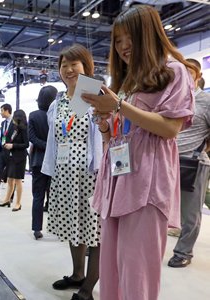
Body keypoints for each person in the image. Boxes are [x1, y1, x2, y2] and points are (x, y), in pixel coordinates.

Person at [81, 5, 197, 300]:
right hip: (116, 182)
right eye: (117, 41)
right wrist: (106, 125)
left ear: (147, 34)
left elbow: (170, 128)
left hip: (146, 184)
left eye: (128, 37)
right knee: (111, 272)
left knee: (137, 276)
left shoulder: (174, 71)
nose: (122, 47)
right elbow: (121, 134)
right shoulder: (128, 82)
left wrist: (119, 106)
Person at [41, 44, 103, 300]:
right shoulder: (58, 101)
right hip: (65, 174)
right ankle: (77, 275)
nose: (68, 69)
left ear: (86, 66)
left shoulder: (95, 93)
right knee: (71, 225)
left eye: (74, 64)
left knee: (94, 230)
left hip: (91, 173)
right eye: (64, 65)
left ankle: (89, 284)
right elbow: (55, 139)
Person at [167, 58, 210, 268]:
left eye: (189, 72)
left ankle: (183, 252)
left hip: (193, 161)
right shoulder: (175, 98)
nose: (183, 75)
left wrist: (202, 149)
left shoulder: (206, 101)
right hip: (168, 159)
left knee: (191, 213)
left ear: (198, 76)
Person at [29, 85, 57, 240]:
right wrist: (51, 146)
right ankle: (57, 226)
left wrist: (45, 146)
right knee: (55, 195)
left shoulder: (33, 116)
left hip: (38, 161)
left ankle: (36, 229)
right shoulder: (57, 114)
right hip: (55, 160)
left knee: (37, 196)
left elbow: (31, 138)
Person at [0, 109, 29, 212]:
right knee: (10, 179)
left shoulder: (24, 129)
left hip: (20, 157)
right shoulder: (15, 128)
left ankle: (18, 203)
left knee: (18, 181)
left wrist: (13, 145)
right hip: (12, 156)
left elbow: (26, 144)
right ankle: (7, 200)